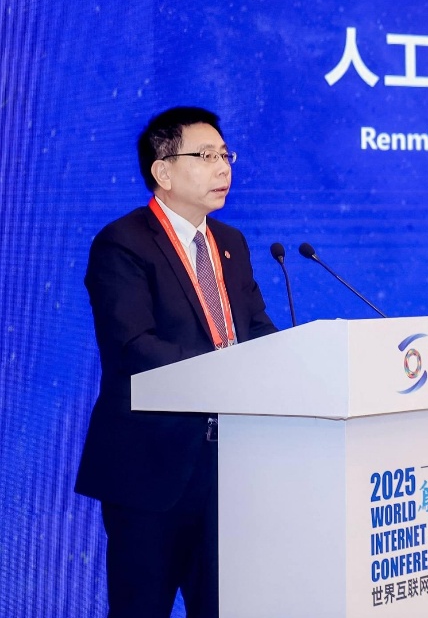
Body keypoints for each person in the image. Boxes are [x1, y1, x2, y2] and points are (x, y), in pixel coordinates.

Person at [75, 106, 278, 618]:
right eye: (205, 156)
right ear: (162, 171)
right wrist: (225, 373)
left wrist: (293, 360)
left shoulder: (230, 243)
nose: (223, 167)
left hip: (231, 466)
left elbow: (255, 328)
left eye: (225, 155)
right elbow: (133, 346)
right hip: (153, 468)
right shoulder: (122, 243)